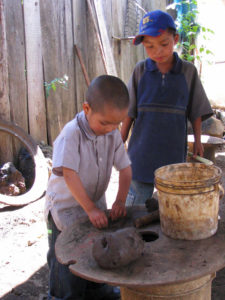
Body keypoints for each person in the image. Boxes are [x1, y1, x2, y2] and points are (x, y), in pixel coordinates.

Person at [45, 75, 132, 300]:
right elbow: (69, 174)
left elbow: (125, 169)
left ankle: (96, 291)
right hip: (64, 211)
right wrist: (90, 209)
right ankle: (63, 296)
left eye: (117, 124)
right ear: (86, 108)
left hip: (94, 205)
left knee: (95, 252)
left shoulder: (112, 133)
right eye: (105, 123)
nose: (111, 129)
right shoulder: (71, 134)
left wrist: (120, 200)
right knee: (66, 260)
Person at [121, 10, 213, 206]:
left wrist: (197, 140)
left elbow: (195, 109)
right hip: (141, 152)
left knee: (172, 204)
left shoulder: (188, 72)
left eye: (164, 44)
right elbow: (129, 112)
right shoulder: (140, 71)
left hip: (172, 152)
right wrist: (119, 141)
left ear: (176, 39)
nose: (157, 52)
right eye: (149, 46)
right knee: (136, 203)